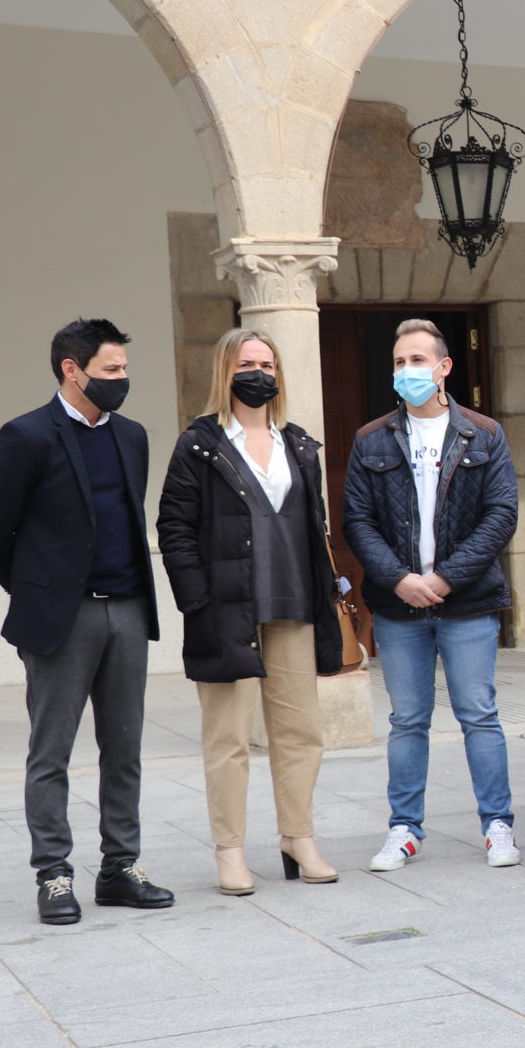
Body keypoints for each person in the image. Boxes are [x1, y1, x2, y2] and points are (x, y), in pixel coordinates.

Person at [0, 319, 173, 925]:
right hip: (62, 617)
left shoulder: (131, 436)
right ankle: (54, 874)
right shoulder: (26, 436)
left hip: (128, 609)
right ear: (72, 370)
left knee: (125, 748)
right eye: (111, 369)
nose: (123, 379)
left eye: (124, 369)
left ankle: (120, 868)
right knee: (51, 752)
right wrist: (39, 592)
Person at [156, 328, 344, 896]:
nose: (258, 373)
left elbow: (314, 527)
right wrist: (197, 602)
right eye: (246, 364)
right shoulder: (199, 445)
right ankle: (230, 850)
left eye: (267, 364)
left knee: (301, 732)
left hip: (294, 605)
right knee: (229, 737)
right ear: (225, 371)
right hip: (227, 611)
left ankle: (298, 837)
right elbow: (174, 529)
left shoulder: (299, 445)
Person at [344, 319, 522, 873]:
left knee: (479, 715)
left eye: (417, 360)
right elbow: (357, 520)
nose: (407, 371)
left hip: (467, 602)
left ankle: (497, 826)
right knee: (407, 720)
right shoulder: (371, 439)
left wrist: (444, 579)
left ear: (444, 368)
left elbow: (501, 515)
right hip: (398, 607)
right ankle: (404, 829)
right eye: (399, 362)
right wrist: (400, 579)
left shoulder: (483, 434)